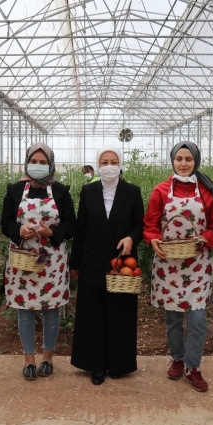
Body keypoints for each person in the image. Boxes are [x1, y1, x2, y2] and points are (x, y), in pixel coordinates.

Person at [143, 141, 213, 392]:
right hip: (168, 262)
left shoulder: (207, 192)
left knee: (197, 318)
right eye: (179, 159)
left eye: (188, 159)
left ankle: (193, 366)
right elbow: (151, 224)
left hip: (197, 263)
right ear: (173, 160)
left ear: (196, 161)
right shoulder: (161, 190)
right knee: (173, 317)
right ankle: (177, 358)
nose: (184, 163)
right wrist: (153, 238)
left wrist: (204, 239)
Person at [1, 143, 76, 380]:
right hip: (24, 257)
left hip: (52, 258)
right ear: (26, 162)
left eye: (44, 163)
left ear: (51, 164)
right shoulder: (15, 190)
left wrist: (51, 233)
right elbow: (6, 223)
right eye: (35, 161)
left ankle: (47, 357)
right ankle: (29, 360)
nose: (39, 166)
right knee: (25, 309)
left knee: (52, 308)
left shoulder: (61, 191)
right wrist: (19, 231)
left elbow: (71, 225)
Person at [69, 147, 144, 385]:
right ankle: (96, 364)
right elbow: (81, 228)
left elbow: (140, 225)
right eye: (104, 161)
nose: (109, 165)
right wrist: (76, 263)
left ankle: (119, 363)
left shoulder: (132, 192)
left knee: (120, 312)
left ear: (120, 165)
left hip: (123, 262)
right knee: (93, 314)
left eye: (114, 161)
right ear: (98, 165)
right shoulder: (88, 191)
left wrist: (131, 237)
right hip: (93, 260)